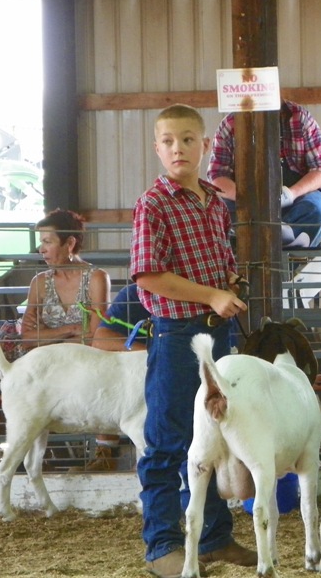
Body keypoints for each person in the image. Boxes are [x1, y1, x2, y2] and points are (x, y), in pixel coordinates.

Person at [131, 103, 255, 578]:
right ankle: (161, 544)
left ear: (204, 146)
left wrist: (230, 284)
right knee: (168, 441)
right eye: (168, 141)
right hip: (177, 334)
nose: (177, 148)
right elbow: (149, 276)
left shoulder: (214, 202)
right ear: (156, 148)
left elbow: (224, 260)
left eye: (187, 140)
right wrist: (212, 295)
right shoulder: (154, 203)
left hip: (216, 331)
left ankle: (214, 538)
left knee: (213, 435)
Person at [207, 99, 321, 248]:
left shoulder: (300, 117)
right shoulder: (230, 124)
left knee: (318, 212)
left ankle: (283, 238)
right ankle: (274, 240)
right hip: (245, 200)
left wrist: (291, 194)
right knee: (216, 214)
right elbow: (217, 175)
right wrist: (247, 199)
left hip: (296, 198)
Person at [69, 283, 150, 472]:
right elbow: (101, 340)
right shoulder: (134, 294)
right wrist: (150, 353)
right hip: (135, 376)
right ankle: (106, 453)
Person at [21, 209, 110, 348]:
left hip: (84, 359)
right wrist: (72, 329)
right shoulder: (39, 282)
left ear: (70, 243)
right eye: (41, 242)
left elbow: (96, 338)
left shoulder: (96, 278)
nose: (41, 249)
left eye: (47, 242)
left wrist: (46, 336)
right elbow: (27, 339)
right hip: (46, 359)